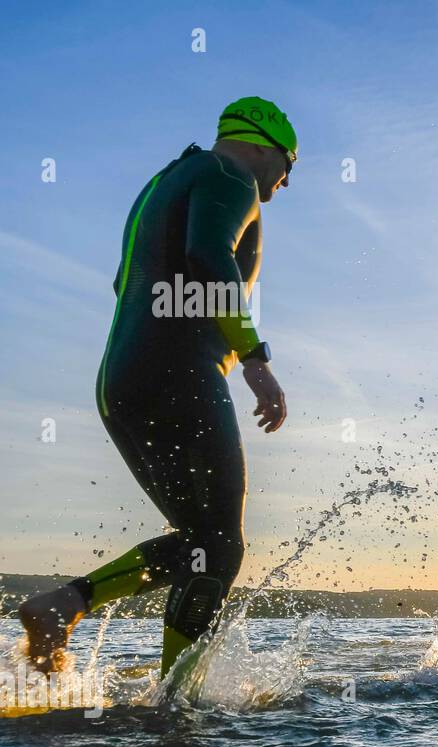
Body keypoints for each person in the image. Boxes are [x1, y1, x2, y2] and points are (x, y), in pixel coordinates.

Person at [19, 97, 296, 676]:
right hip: (181, 372)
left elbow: (133, 278)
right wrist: (253, 357)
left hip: (123, 378)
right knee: (219, 546)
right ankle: (176, 706)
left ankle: (62, 607)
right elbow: (207, 255)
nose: (285, 182)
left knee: (200, 538)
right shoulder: (230, 175)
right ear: (266, 144)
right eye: (289, 165)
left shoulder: (169, 179)